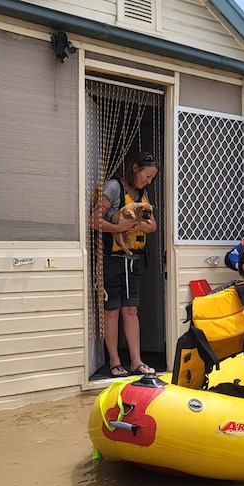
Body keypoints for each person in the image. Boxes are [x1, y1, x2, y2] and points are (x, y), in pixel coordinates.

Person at [88, 152, 159, 378]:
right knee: (112, 312)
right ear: (135, 168)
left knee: (131, 310)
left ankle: (136, 362)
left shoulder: (142, 194)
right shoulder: (113, 188)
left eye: (152, 178)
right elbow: (94, 220)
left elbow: (152, 226)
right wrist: (119, 228)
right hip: (112, 259)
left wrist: (134, 224)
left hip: (133, 260)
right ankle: (114, 361)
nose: (149, 181)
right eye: (147, 176)